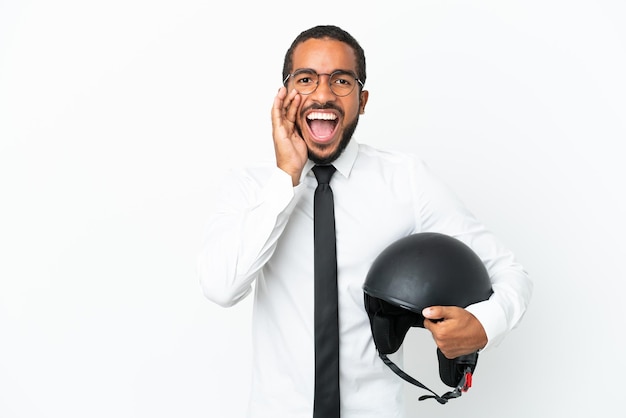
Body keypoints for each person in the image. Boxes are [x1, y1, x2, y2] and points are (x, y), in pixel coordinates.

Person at [197, 24, 532, 417]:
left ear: (363, 99)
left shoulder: (406, 181)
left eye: (341, 80)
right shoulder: (249, 187)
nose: (323, 94)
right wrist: (285, 178)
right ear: (284, 95)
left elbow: (510, 272)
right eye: (306, 79)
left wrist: (484, 324)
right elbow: (221, 287)